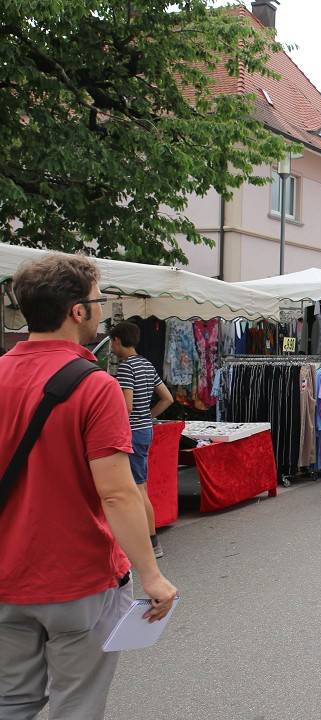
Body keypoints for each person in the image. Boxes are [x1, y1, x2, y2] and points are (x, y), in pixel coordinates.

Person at [0, 254, 177, 720]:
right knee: (76, 704)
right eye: (100, 301)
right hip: (77, 577)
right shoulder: (94, 385)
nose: (103, 310)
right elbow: (117, 493)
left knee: (11, 702)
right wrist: (152, 575)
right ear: (77, 311)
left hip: (5, 577)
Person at [109, 321, 174, 558]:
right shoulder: (146, 364)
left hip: (132, 432)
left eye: (112, 342)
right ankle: (147, 539)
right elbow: (167, 398)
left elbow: (125, 406)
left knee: (138, 488)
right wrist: (149, 415)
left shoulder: (126, 368)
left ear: (116, 340)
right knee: (141, 486)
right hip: (145, 429)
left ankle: (152, 542)